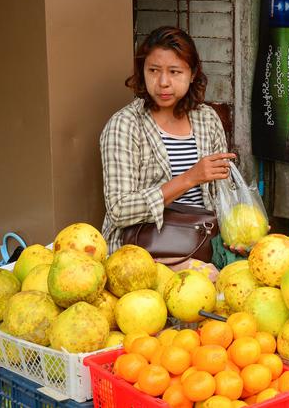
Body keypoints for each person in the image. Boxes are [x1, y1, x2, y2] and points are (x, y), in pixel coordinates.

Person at [100, 26, 238, 265]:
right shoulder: (124, 125)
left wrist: (242, 222)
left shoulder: (206, 119)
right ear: (142, 71)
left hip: (203, 246)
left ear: (192, 73)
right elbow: (119, 209)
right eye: (153, 70)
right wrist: (190, 178)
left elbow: (223, 192)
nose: (163, 82)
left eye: (174, 72)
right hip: (141, 255)